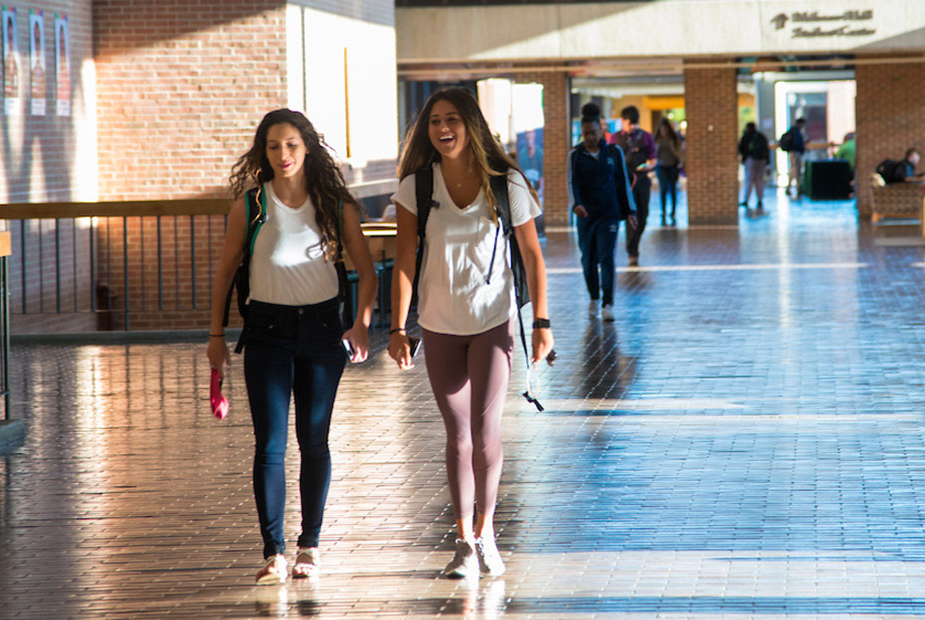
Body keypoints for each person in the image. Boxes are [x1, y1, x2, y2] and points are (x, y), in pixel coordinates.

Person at [388, 88, 553, 579]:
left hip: (493, 323)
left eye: (453, 119)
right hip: (438, 324)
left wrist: (541, 323)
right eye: (435, 120)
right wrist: (397, 327)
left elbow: (533, 256)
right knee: (457, 435)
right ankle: (463, 541)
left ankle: (486, 534)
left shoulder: (507, 185)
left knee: (485, 431)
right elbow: (402, 260)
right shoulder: (417, 187)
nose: (443, 128)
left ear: (471, 124)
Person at [207, 109, 377, 584]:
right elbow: (224, 274)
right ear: (264, 152)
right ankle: (273, 551)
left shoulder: (334, 205)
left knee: (315, 440)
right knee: (270, 445)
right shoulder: (252, 205)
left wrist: (360, 325)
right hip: (266, 332)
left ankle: (311, 545)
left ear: (308, 149)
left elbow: (366, 273)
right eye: (274, 146)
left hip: (324, 332)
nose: (283, 154)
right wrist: (216, 336)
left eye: (292, 145)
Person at [569, 113, 638, 322]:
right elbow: (571, 183)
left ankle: (608, 304)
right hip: (586, 215)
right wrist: (576, 204)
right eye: (586, 133)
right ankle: (594, 297)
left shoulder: (613, 152)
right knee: (588, 260)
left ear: (601, 131)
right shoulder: (575, 154)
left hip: (609, 213)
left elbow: (623, 182)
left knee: (607, 257)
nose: (590, 137)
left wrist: (630, 211)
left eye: (594, 132)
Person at [612, 105, 655, 266]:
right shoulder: (615, 139)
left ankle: (633, 245)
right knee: (630, 215)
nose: (633, 127)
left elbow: (653, 159)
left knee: (643, 216)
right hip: (624, 184)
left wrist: (647, 167)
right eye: (630, 123)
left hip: (642, 181)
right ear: (622, 121)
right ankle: (632, 250)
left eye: (635, 124)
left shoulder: (645, 137)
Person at [654, 117, 683, 224]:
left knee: (673, 189)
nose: (664, 132)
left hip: (672, 166)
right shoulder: (657, 140)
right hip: (661, 167)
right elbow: (654, 155)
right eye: (662, 129)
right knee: (663, 188)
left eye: (666, 129)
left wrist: (672, 148)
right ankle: (663, 211)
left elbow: (678, 154)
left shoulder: (674, 139)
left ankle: (673, 210)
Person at [737, 122, 770, 211]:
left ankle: (746, 200)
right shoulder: (761, 136)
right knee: (759, 180)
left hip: (751, 160)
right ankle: (760, 199)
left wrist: (744, 158)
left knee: (749, 180)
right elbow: (767, 150)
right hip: (761, 161)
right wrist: (767, 163)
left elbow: (741, 148)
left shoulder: (746, 136)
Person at [780, 118, 807, 196]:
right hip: (795, 152)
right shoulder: (796, 131)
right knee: (796, 170)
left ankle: (789, 187)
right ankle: (798, 187)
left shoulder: (793, 131)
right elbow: (797, 143)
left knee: (793, 169)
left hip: (793, 152)